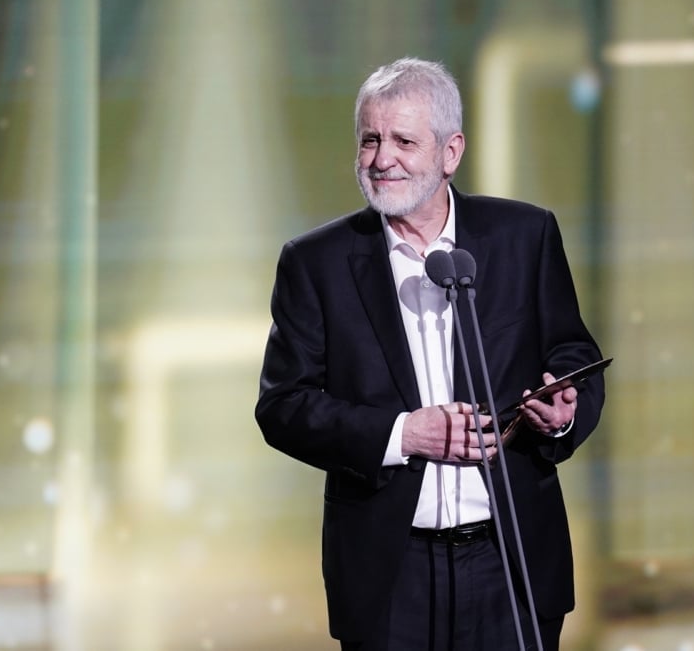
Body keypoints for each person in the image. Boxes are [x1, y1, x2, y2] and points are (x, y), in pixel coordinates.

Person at [255, 57, 605, 651]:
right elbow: (283, 406)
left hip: (511, 562)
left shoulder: (524, 236)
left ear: (451, 151)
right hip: (391, 576)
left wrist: (563, 410)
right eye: (370, 139)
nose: (381, 158)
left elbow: (572, 351)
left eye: (403, 140)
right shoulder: (316, 263)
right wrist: (402, 434)